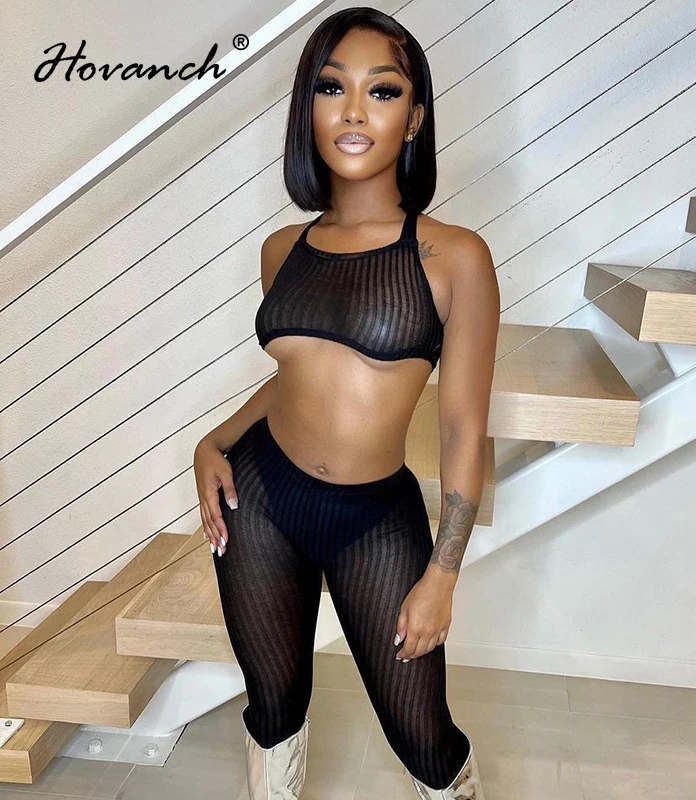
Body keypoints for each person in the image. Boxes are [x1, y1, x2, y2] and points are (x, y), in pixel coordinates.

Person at [193, 7, 499, 798]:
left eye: (383, 91)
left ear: (415, 118)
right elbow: (300, 374)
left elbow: (464, 428)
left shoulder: (454, 256)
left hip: (375, 518)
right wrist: (212, 442)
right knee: (272, 704)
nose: (355, 112)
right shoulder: (282, 250)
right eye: (332, 89)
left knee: (422, 734)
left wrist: (443, 575)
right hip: (260, 499)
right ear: (308, 110)